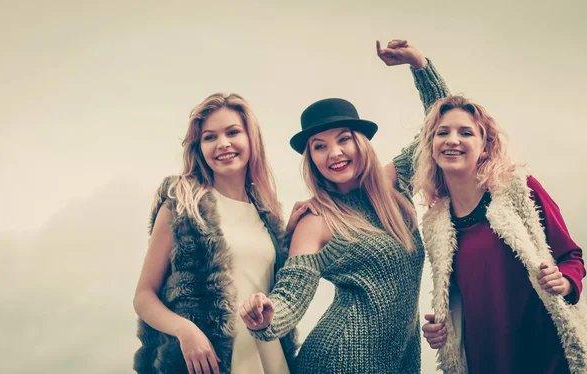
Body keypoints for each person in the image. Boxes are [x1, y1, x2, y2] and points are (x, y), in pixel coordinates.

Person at [239, 40, 450, 373]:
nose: (334, 153)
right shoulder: (316, 220)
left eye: (343, 139)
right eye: (319, 146)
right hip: (339, 361)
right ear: (312, 159)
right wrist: (265, 316)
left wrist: (419, 64)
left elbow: (442, 123)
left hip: (400, 358)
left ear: (360, 142)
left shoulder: (393, 183)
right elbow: (291, 296)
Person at [132, 93, 315, 374]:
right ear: (199, 147)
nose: (223, 144)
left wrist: (287, 237)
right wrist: (185, 331)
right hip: (209, 362)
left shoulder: (268, 215)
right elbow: (143, 296)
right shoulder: (182, 205)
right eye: (210, 137)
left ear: (251, 139)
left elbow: (272, 286)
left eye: (233, 132)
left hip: (269, 357)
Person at [416, 95, 587, 374]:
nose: (452, 140)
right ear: (431, 146)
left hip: (547, 357)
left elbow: (571, 256)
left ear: (485, 146)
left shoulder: (521, 190)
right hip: (485, 360)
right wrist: (442, 330)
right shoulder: (435, 223)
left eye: (466, 132)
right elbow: (454, 299)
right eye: (442, 133)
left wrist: (565, 282)